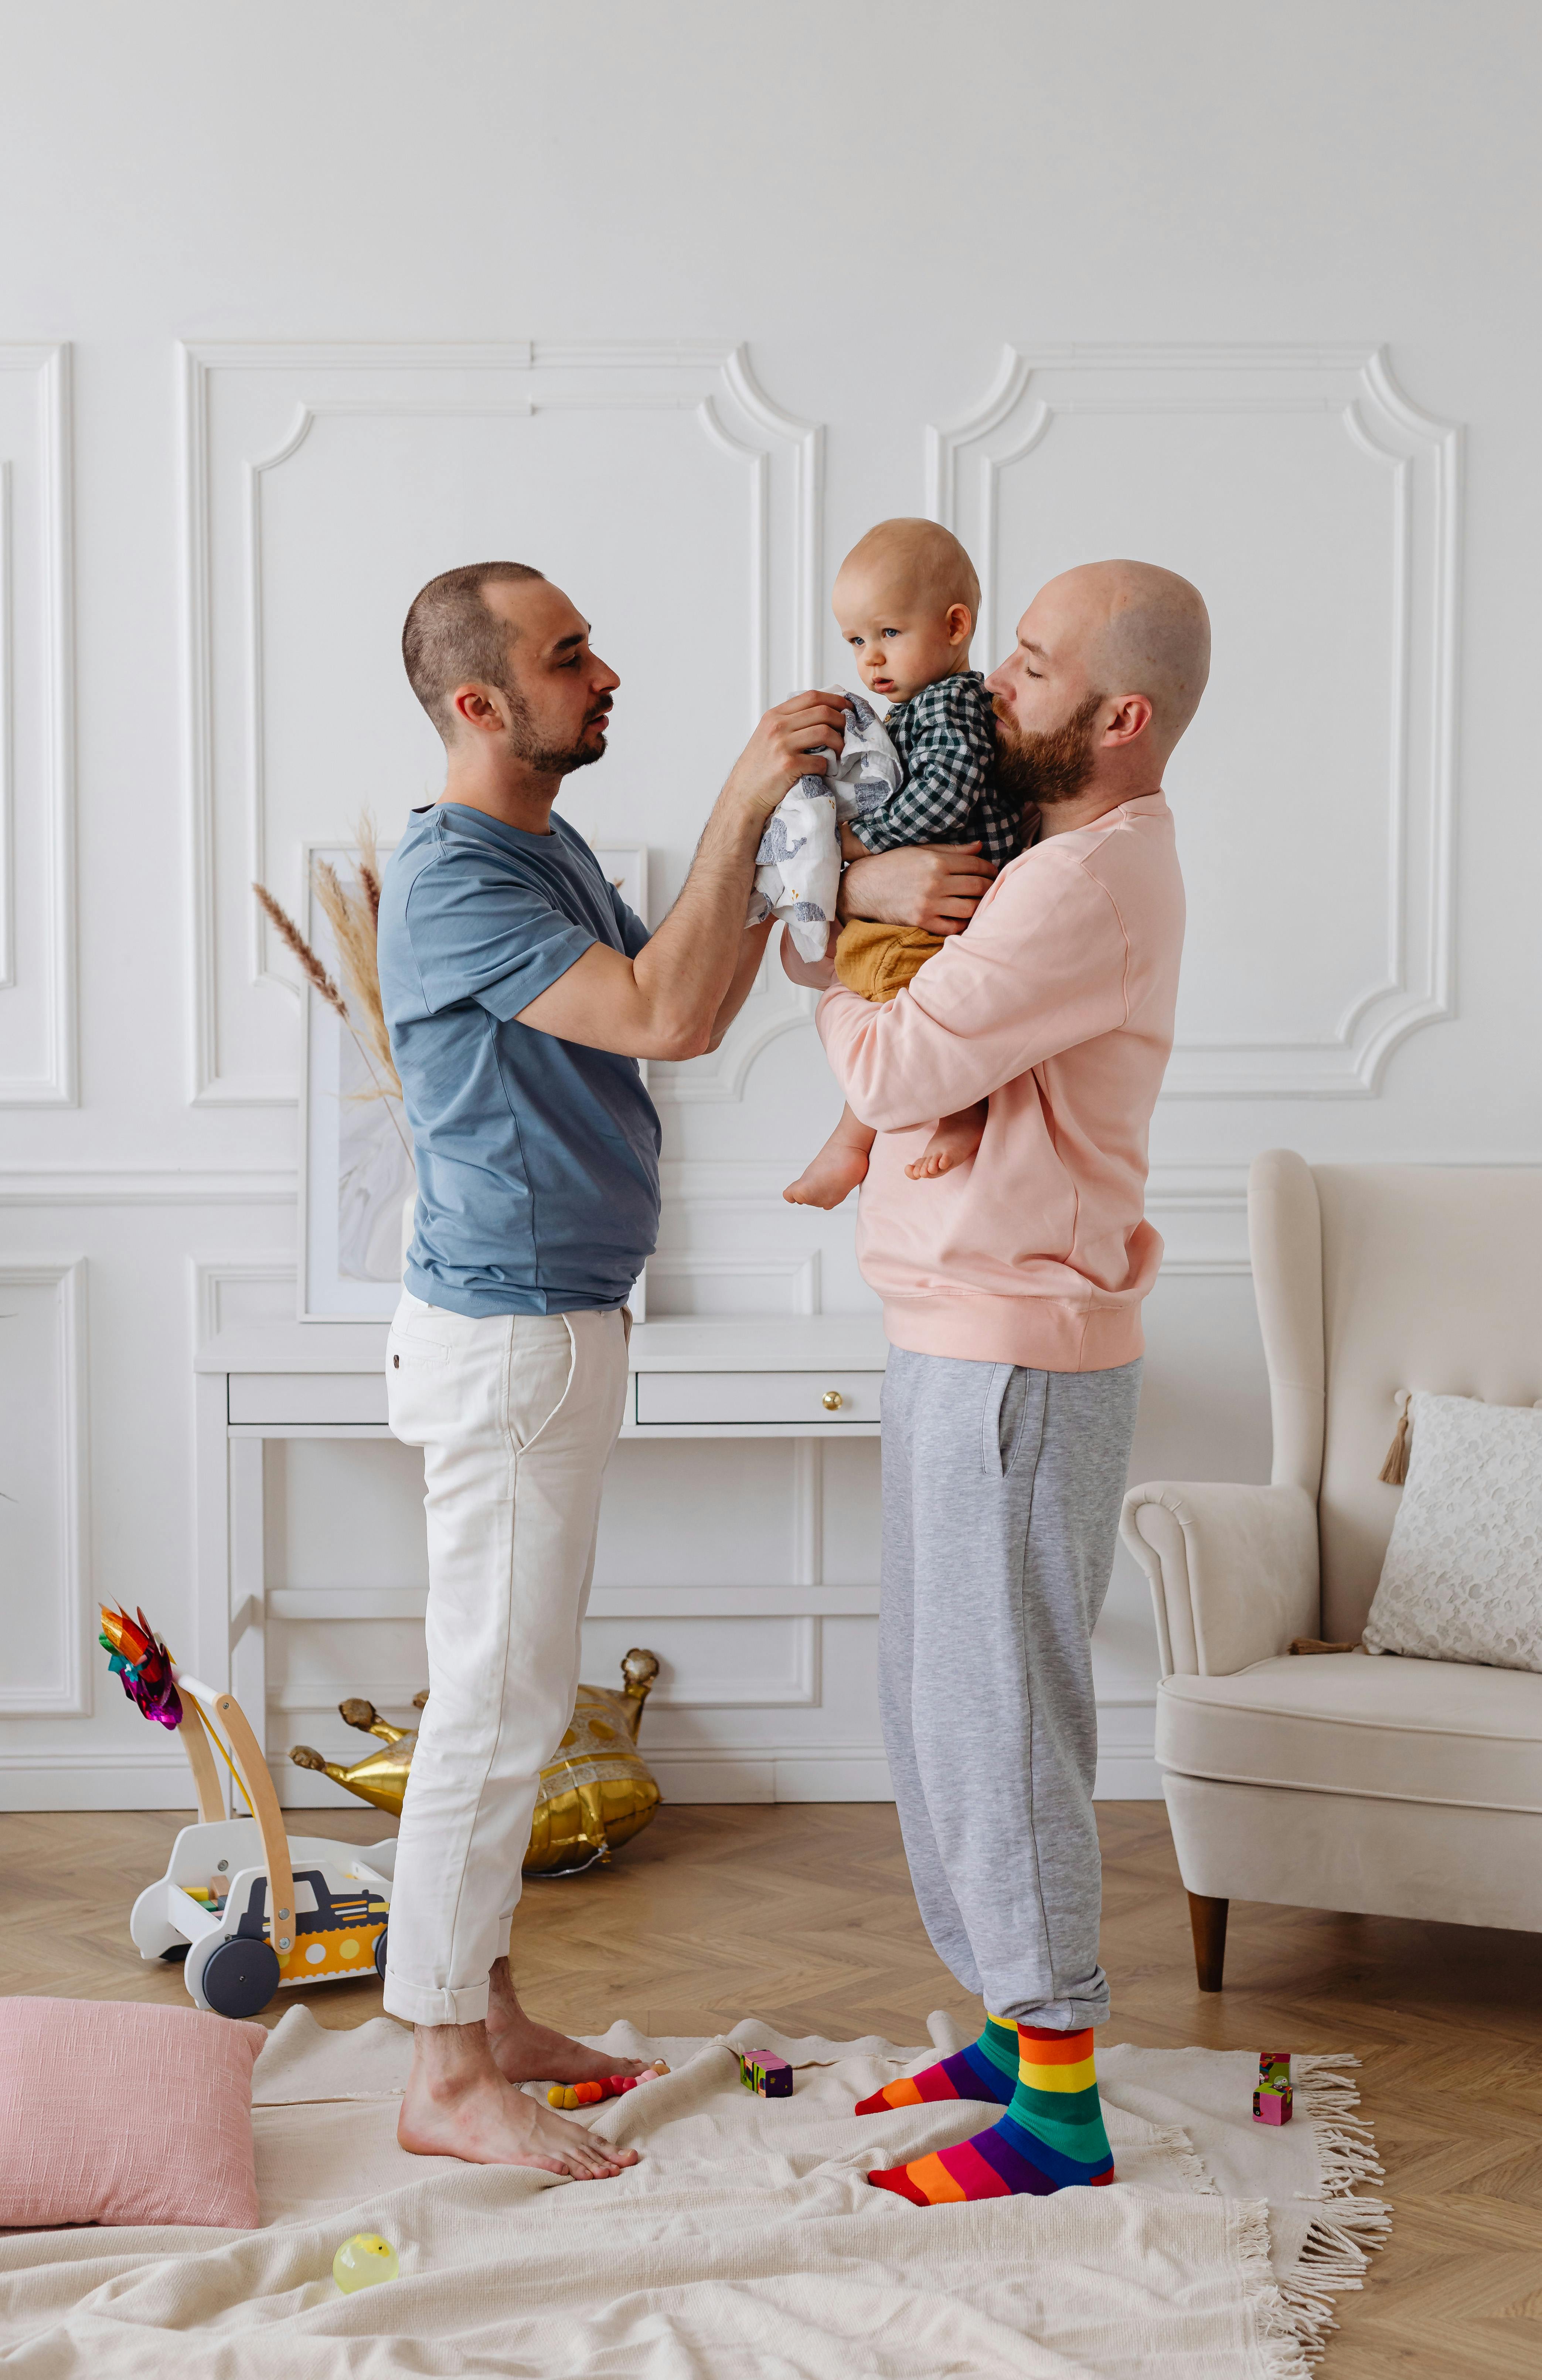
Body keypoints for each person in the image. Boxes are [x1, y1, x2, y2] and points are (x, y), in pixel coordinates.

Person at [375, 560, 857, 2176]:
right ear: (477, 702)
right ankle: (443, 2073)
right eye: (566, 655)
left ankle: (488, 2008)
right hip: (509, 1334)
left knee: (506, 1690)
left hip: (556, 1320)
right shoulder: (452, 876)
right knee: (496, 1709)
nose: (603, 673)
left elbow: (694, 1009)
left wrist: (774, 843)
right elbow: (656, 1012)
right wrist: (742, 786)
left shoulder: (540, 845)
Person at [783, 559, 1209, 2205]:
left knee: (1000, 1716)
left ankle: (1056, 2103)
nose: (985, 690)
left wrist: (833, 930)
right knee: (934, 1704)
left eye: (1024, 668)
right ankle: (1001, 2018)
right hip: (957, 1331)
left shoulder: (1075, 887)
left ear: (1118, 716)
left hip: (1010, 1355)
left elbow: (890, 1059)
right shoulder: (1054, 860)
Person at [777, 519, 1023, 1211]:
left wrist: (855, 843)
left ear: (953, 626)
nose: (870, 660)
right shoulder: (911, 708)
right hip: (933, 894)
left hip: (960, 893)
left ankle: (956, 1109)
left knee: (910, 998)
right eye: (856, 641)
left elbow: (945, 796)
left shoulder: (954, 702)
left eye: (888, 634)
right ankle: (855, 1140)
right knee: (878, 985)